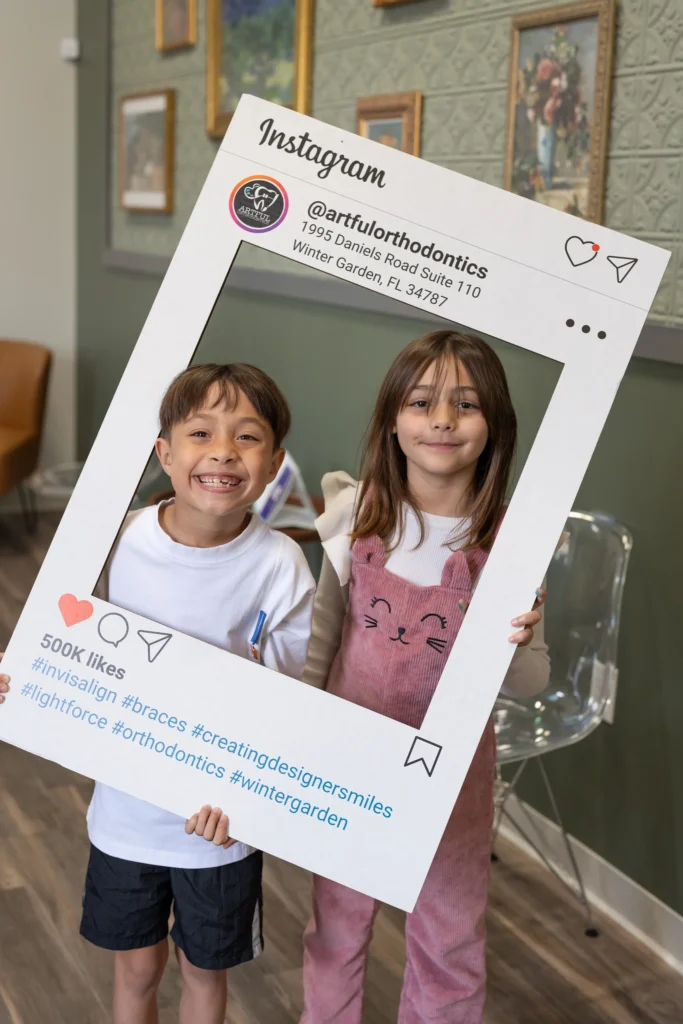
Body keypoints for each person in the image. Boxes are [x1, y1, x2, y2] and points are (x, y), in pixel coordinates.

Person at [0, 362, 315, 1024]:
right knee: (135, 967)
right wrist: (18, 675)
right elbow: (61, 644)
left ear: (275, 462)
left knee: (204, 971)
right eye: (201, 432)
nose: (224, 451)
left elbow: (288, 699)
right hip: (126, 814)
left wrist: (242, 792)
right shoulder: (118, 541)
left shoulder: (280, 564)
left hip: (219, 823)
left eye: (248, 437)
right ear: (165, 455)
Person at [300, 330, 551, 1024]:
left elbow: (529, 682)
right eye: (421, 402)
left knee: (448, 936)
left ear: (494, 427)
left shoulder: (510, 542)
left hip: (451, 778)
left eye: (465, 405)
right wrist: (305, 733)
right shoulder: (355, 517)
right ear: (391, 420)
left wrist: (520, 636)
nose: (441, 419)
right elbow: (325, 638)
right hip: (349, 755)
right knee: (337, 925)